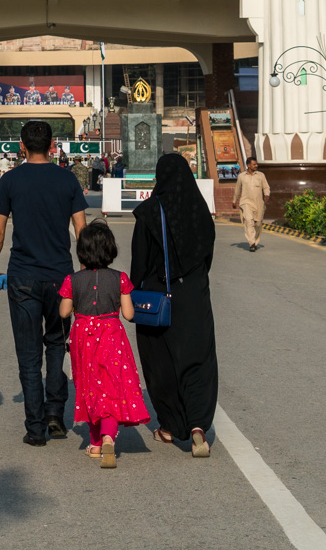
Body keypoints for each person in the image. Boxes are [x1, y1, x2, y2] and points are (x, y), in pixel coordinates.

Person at [0, 120, 88, 446]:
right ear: (53, 145)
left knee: (28, 355)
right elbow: (82, 229)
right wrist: (85, 270)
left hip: (23, 277)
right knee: (57, 345)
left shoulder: (11, 180)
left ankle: (35, 427)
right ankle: (56, 415)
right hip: (61, 277)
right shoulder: (67, 179)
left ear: (21, 147)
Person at [132, 153, 218, 458]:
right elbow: (207, 257)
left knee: (162, 363)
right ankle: (197, 427)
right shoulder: (199, 211)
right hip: (195, 296)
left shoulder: (149, 212)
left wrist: (131, 292)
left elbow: (139, 264)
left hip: (158, 299)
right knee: (197, 360)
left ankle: (169, 427)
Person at [59, 220, 149, 469]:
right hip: (111, 335)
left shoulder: (72, 280)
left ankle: (96, 442)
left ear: (82, 252)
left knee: (89, 387)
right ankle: (110, 436)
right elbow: (129, 315)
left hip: (83, 337)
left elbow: (64, 312)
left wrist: (76, 300)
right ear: (110, 250)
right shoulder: (120, 278)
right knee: (110, 386)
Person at [232, 156, 270, 251]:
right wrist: (234, 201)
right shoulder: (241, 176)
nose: (256, 166)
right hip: (246, 202)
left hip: (258, 203)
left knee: (257, 224)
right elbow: (237, 190)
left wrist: (267, 194)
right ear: (248, 165)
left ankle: (256, 241)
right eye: (254, 164)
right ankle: (252, 243)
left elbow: (266, 187)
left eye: (256, 164)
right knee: (249, 221)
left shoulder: (261, 175)